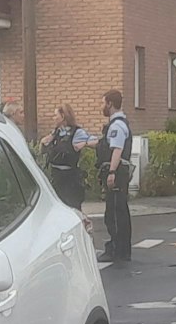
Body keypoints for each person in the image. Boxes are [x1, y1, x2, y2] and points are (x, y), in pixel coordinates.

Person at [94, 89, 132, 262]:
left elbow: (117, 150)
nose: (102, 106)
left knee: (114, 213)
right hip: (119, 173)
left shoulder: (116, 125)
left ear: (110, 104)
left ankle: (117, 249)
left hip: (117, 173)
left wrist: (111, 172)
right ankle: (122, 249)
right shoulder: (119, 123)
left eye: (103, 103)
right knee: (120, 211)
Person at [42, 105, 92, 210]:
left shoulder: (77, 132)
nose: (53, 118)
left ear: (63, 116)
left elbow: (95, 141)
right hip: (56, 176)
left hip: (70, 178)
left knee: (72, 208)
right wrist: (44, 143)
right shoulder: (56, 132)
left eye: (56, 115)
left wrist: (85, 143)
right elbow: (45, 150)